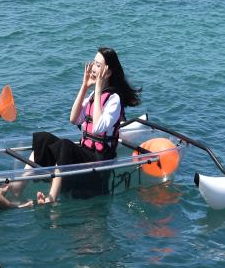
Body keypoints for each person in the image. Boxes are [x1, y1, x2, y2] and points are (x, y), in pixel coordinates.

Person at [30, 48, 141, 204]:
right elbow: (73, 119)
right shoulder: (92, 95)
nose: (93, 69)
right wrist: (85, 87)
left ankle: (51, 198)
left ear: (108, 72)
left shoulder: (114, 99)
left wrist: (97, 89)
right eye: (93, 64)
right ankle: (14, 189)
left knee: (65, 145)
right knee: (43, 138)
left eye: (98, 65)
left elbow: (97, 128)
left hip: (98, 162)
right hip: (85, 154)